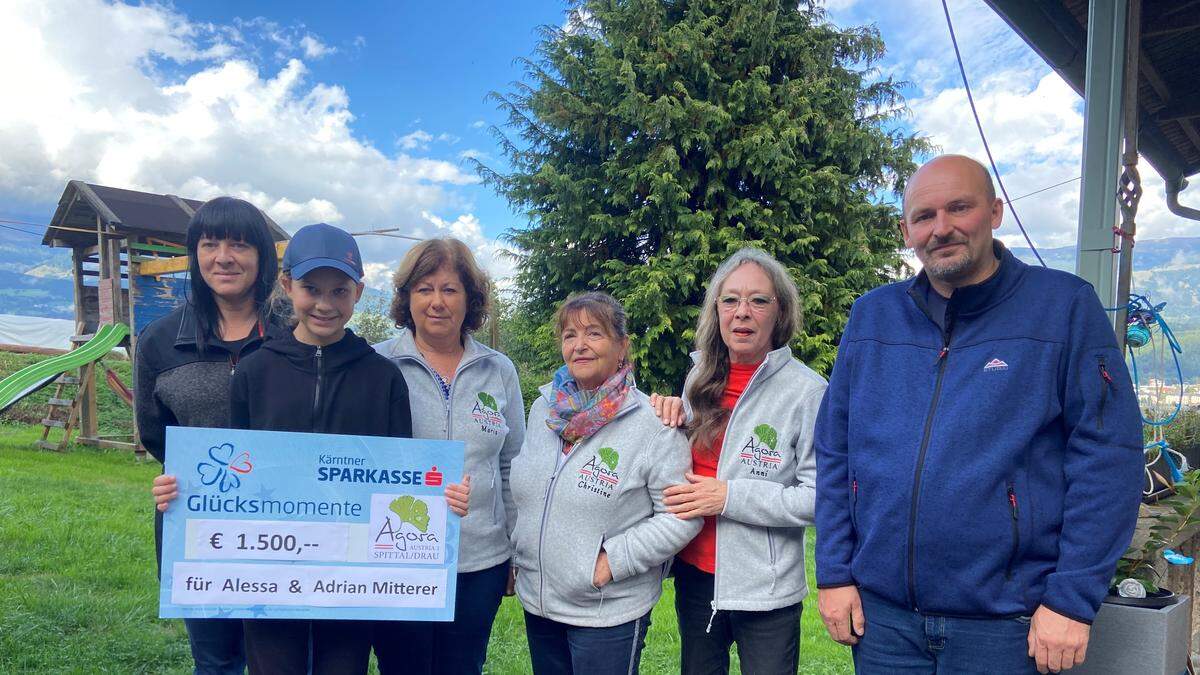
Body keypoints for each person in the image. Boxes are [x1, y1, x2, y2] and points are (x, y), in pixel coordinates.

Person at [813, 154, 1143, 674]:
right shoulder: (872, 315)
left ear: (995, 211)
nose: (940, 228)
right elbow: (835, 450)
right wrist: (834, 572)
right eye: (924, 216)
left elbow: (1108, 459)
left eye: (958, 208)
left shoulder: (1063, 308)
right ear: (906, 230)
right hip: (885, 624)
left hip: (1008, 626)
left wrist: (1071, 600)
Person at [153, 223, 467, 674]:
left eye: (339, 290)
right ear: (286, 286)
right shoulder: (255, 372)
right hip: (267, 578)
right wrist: (181, 490)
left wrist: (441, 499)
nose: (324, 303)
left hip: (350, 581)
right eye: (311, 288)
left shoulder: (382, 378)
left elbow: (403, 477)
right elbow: (230, 469)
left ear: (358, 293)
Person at [650, 248, 827, 674]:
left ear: (779, 311)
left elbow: (818, 499)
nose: (742, 313)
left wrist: (728, 497)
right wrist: (670, 414)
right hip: (696, 576)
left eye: (758, 300)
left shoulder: (809, 392)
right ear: (717, 310)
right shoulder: (699, 377)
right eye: (730, 300)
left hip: (765, 590)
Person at [509, 292, 701, 674]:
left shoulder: (652, 424)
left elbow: (682, 515)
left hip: (606, 612)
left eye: (593, 334)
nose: (579, 345)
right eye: (569, 335)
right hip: (539, 602)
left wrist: (613, 561)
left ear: (622, 346)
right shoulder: (543, 411)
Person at [371, 238, 526, 674]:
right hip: (395, 557)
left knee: (464, 665)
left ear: (470, 299)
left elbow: (513, 464)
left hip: (480, 561)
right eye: (424, 289)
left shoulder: (499, 370)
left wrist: (513, 550)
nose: (437, 302)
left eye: (450, 289)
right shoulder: (376, 364)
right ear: (406, 297)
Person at [138, 196, 280, 675]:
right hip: (199, 529)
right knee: (216, 662)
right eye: (210, 243)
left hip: (287, 529)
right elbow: (158, 435)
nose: (224, 256)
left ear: (262, 257)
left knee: (279, 658)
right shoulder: (159, 341)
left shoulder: (294, 336)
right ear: (195, 255)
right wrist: (177, 475)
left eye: (239, 244)